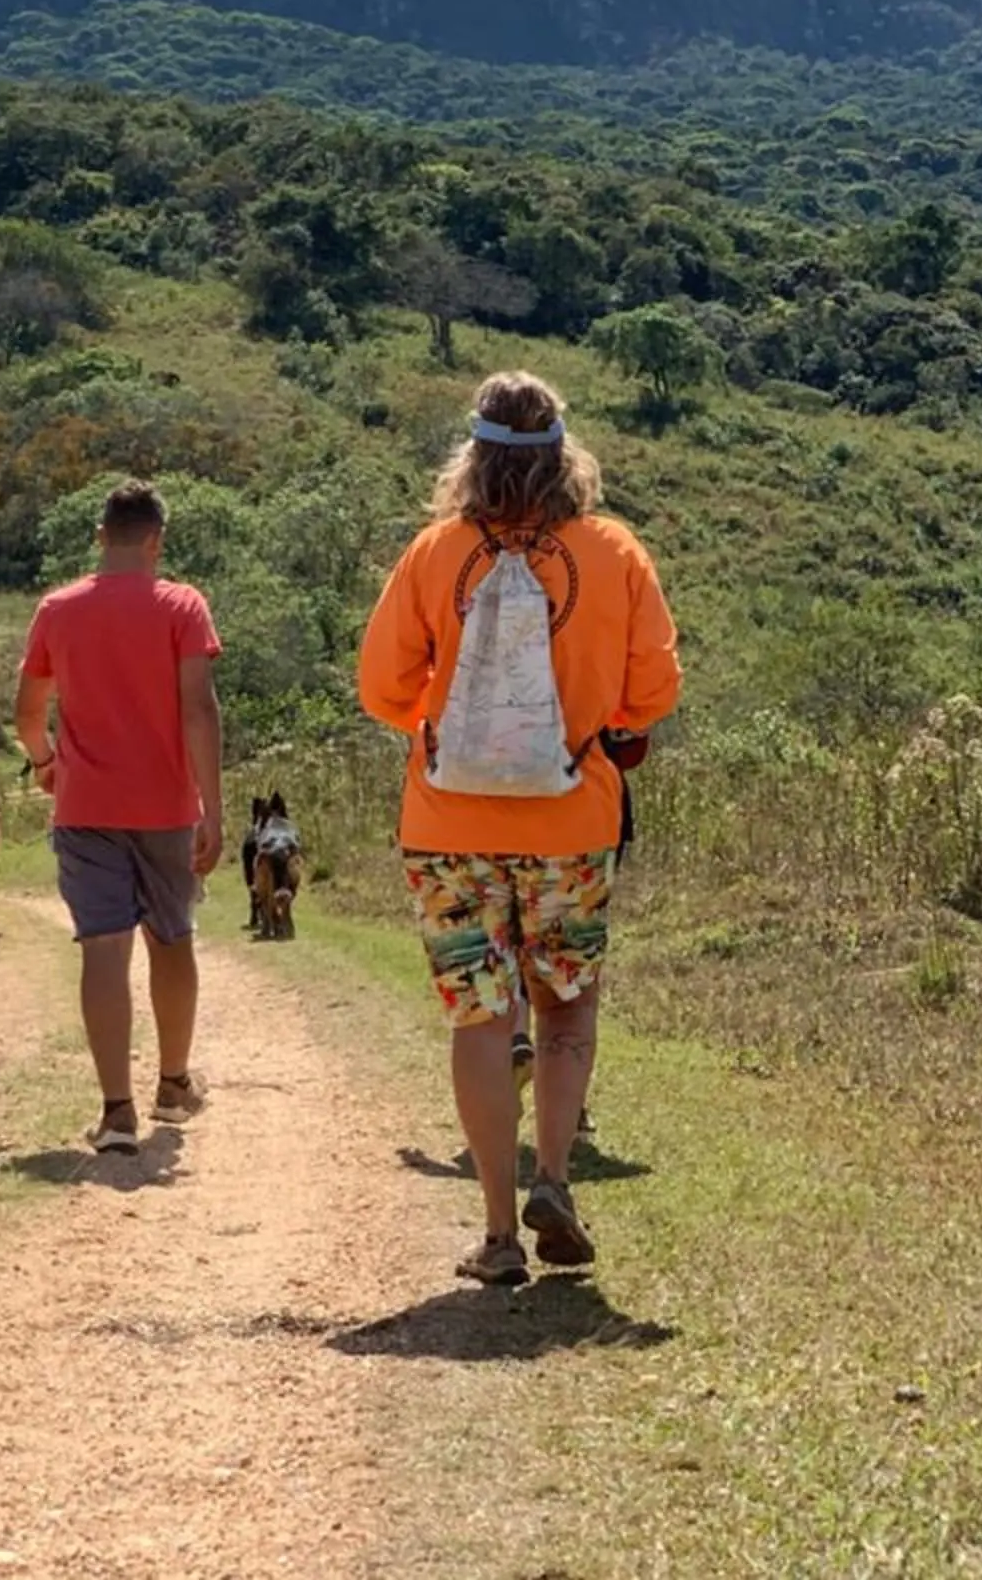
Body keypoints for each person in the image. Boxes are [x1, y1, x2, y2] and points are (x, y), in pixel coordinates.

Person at [357, 370, 679, 1287]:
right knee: (566, 1011)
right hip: (573, 819)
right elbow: (654, 689)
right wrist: (594, 722)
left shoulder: (432, 554)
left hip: (446, 824)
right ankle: (554, 1179)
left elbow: (381, 686)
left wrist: (443, 722)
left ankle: (498, 1235)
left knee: (482, 1020)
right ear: (564, 456)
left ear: (474, 457)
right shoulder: (614, 553)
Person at [12, 480, 225, 1156]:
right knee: (172, 938)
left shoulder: (58, 609)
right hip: (165, 805)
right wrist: (212, 809)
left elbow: (26, 710)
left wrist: (46, 761)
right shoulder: (182, 605)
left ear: (101, 536)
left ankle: (115, 1112)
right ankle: (172, 1082)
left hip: (85, 807)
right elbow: (199, 710)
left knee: (103, 948)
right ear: (156, 540)